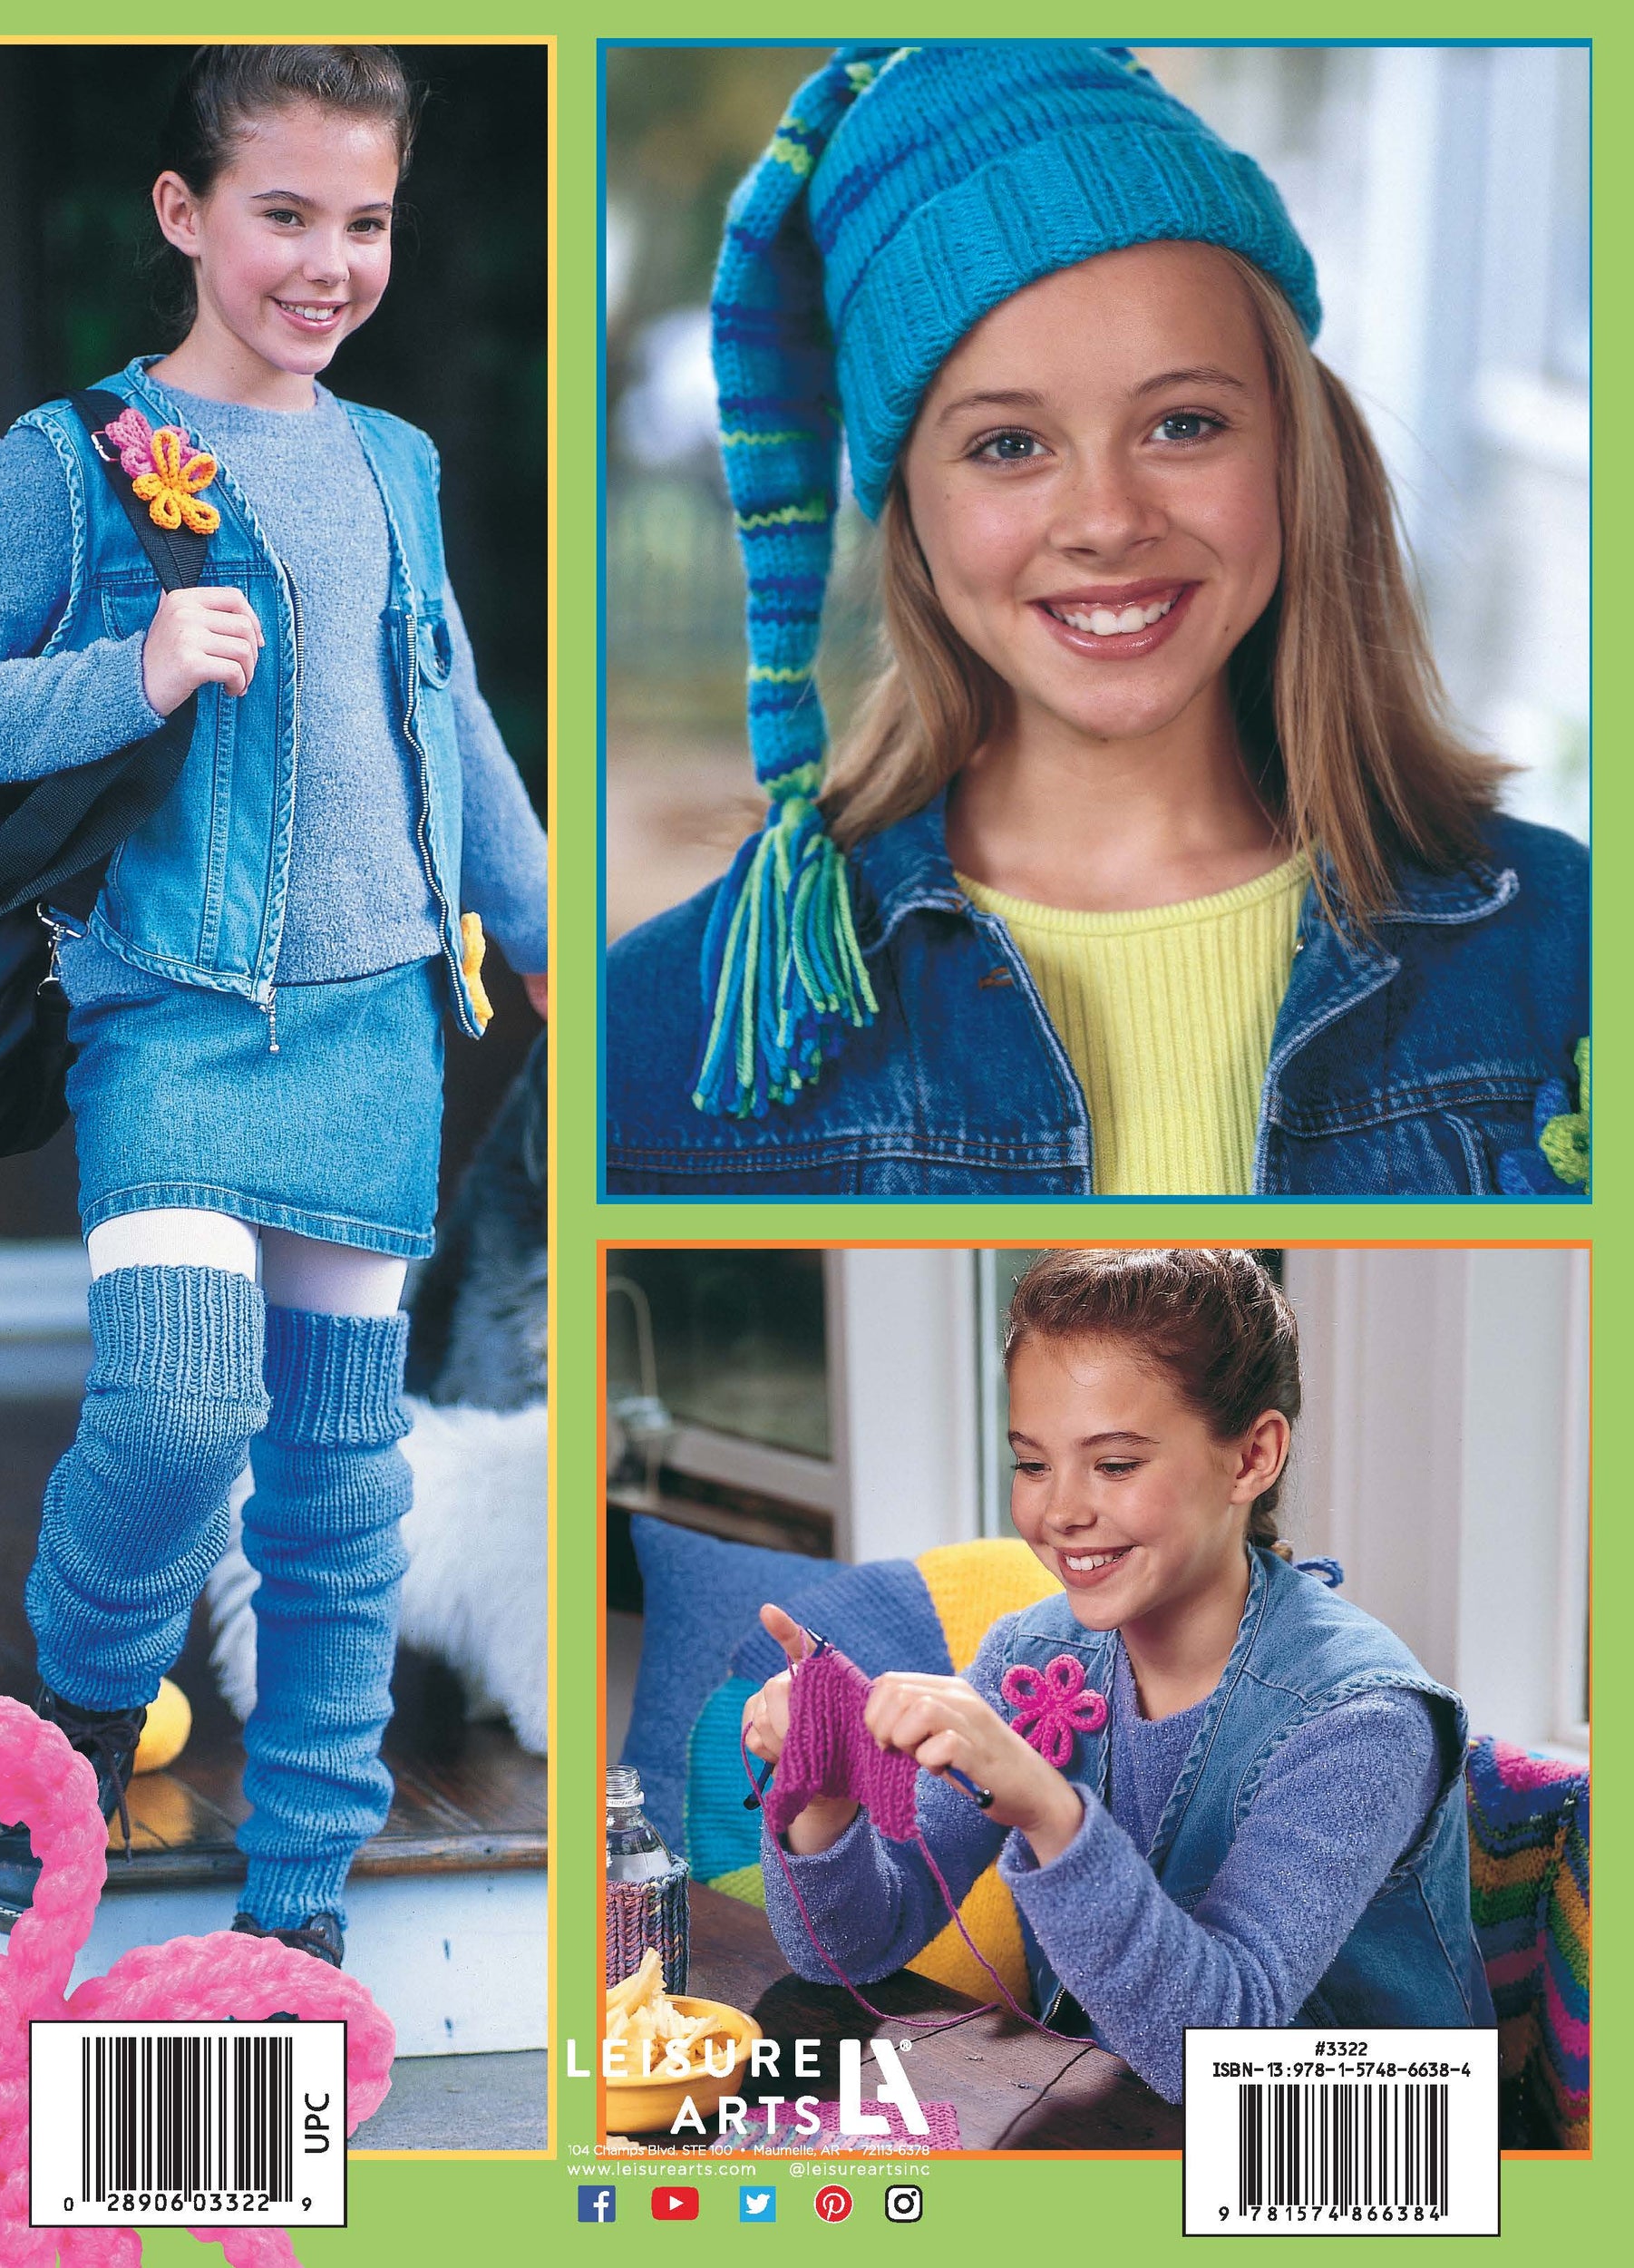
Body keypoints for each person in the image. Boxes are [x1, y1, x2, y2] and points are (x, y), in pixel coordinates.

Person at [0, 45, 548, 1965]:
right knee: (182, 1404)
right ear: (185, 214)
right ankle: (78, 1730)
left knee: (339, 1495)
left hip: (375, 1030)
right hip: (173, 1019)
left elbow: (451, 713)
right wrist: (131, 667)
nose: (328, 263)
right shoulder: (72, 460)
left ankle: (302, 1903)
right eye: (284, 213)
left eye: (366, 221)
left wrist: (546, 939)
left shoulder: (393, 460)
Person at [606, 43, 1587, 1196]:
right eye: (1007, 445)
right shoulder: (659, 1031)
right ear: (908, 508)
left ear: (1292, 445)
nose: (1107, 520)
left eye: (1182, 424)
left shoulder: (1566, 949)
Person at [742, 1250, 1494, 2102]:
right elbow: (846, 1951)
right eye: (1033, 1463)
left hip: (1364, 2147)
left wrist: (1048, 1809)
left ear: (1252, 1456)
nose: (1061, 1510)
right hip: (1115, 2115)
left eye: (1116, 1464)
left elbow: (1222, 2055)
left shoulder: (1364, 1721)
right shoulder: (1031, 1658)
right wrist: (826, 1795)